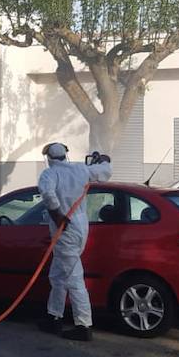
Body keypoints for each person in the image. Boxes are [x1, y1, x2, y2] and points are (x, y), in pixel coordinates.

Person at [36, 142, 112, 341]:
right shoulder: (80, 169)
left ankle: (83, 325)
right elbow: (105, 171)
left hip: (65, 228)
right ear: (65, 155)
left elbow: (47, 193)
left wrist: (57, 214)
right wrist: (104, 159)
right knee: (58, 274)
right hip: (79, 224)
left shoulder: (49, 174)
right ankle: (54, 316)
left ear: (48, 158)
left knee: (74, 278)